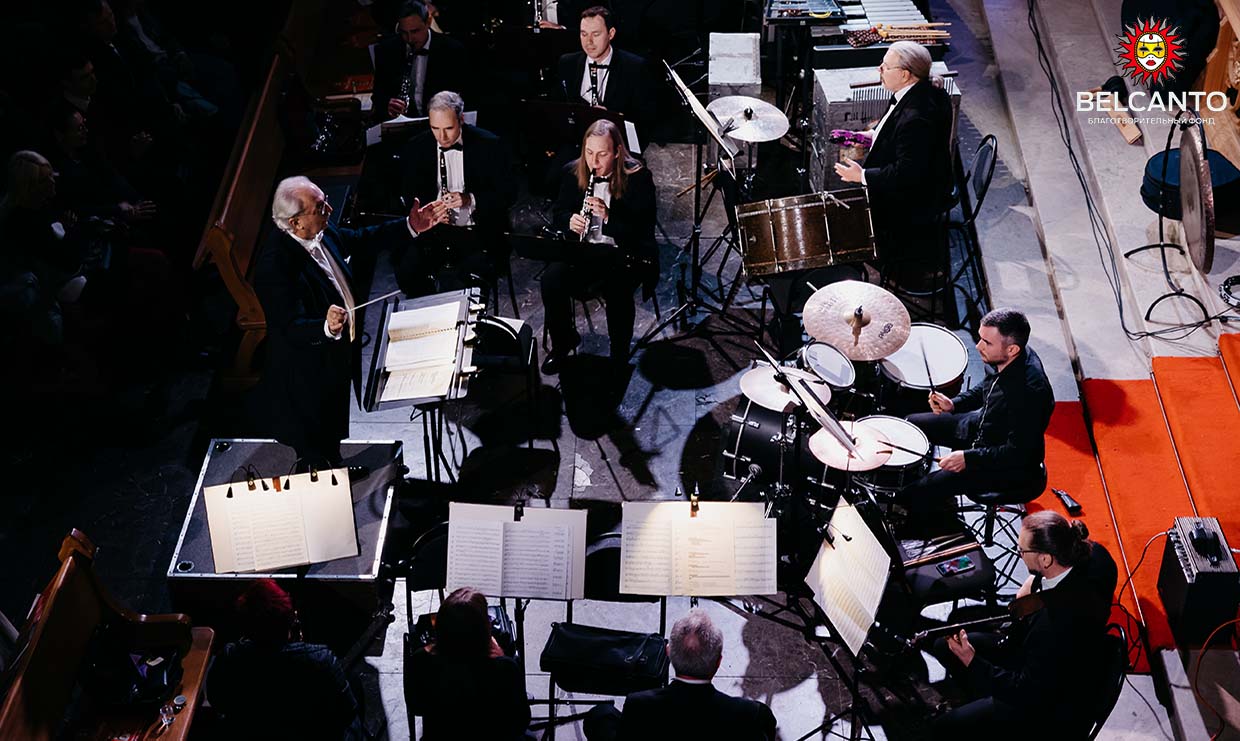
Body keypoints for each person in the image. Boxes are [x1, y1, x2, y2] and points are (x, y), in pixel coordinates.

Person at [250, 175, 445, 465]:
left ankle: (334, 465)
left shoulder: (321, 229)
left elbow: (360, 239)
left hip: (336, 358)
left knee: (332, 431)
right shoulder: (274, 267)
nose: (330, 210)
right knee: (315, 446)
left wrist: (410, 226)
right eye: (320, 207)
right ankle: (325, 477)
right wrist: (324, 326)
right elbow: (289, 327)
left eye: (325, 202)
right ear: (295, 222)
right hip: (307, 375)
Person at [931, 512, 1117, 739]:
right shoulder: (1095, 555)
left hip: (1041, 706)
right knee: (943, 646)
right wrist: (1037, 581)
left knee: (942, 728)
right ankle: (979, 702)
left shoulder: (1053, 625)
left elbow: (1025, 691)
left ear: (1046, 559)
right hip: (1044, 657)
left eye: (1022, 550)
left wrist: (972, 660)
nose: (1018, 553)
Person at [901, 308, 1054, 522]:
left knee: (915, 492)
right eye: (980, 338)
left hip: (1007, 467)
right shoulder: (1003, 357)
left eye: (987, 343)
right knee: (911, 425)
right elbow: (987, 388)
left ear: (1012, 349)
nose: (978, 346)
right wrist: (954, 404)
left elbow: (1017, 453)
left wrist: (968, 458)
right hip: (984, 427)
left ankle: (929, 519)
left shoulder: (1031, 394)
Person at [541, 118, 656, 375]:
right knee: (551, 280)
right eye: (589, 152)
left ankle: (619, 355)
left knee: (618, 289)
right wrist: (570, 221)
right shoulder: (572, 172)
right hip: (584, 251)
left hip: (625, 253)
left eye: (602, 154)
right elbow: (559, 212)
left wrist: (608, 217)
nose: (594, 162)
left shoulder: (639, 178)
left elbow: (643, 230)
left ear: (616, 152)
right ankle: (563, 342)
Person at [833, 40, 953, 259]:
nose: (879, 69)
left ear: (905, 74)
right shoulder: (921, 91)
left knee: (843, 221)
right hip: (923, 179)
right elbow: (897, 133)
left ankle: (874, 257)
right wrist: (868, 137)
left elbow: (907, 173)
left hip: (914, 200)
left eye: (886, 67)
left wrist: (862, 176)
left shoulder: (917, 117)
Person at [208, 579, 364, 740]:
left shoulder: (230, 658)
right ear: (290, 620)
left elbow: (217, 701)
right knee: (353, 681)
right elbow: (347, 712)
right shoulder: (322, 661)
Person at [584, 609, 776, 741]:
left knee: (601, 715)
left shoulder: (639, 705)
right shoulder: (749, 713)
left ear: (668, 653)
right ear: (718, 662)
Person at [396, 90, 515, 296]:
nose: (441, 137)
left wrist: (470, 199)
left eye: (449, 128)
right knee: (407, 272)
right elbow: (408, 193)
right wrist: (429, 211)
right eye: (435, 128)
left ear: (461, 119)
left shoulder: (489, 145)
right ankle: (429, 314)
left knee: (463, 281)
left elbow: (509, 193)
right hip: (434, 233)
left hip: (478, 233)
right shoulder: (417, 147)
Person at [404, 587, 530, 740]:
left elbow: (416, 706)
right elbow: (520, 722)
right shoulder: (505, 669)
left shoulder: (420, 660)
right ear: (484, 630)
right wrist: (502, 657)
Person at [555, 6, 653, 131]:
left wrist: (611, 118)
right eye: (584, 34)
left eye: (596, 34)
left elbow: (645, 118)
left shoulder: (634, 67)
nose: (589, 41)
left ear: (611, 34)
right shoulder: (567, 63)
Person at [371, 1, 467, 120]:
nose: (410, 39)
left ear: (428, 23)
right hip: (400, 123)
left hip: (441, 121)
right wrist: (387, 104)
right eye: (404, 32)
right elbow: (378, 95)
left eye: (415, 31)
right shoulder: (386, 50)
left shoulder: (452, 50)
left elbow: (464, 94)